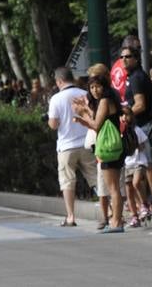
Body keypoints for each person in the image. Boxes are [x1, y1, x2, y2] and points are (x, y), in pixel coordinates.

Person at [73, 69, 127, 233]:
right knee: (114, 187)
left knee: (113, 188)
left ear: (104, 87)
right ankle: (116, 221)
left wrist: (84, 114)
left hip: (108, 148)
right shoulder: (108, 100)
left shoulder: (104, 101)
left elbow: (97, 125)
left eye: (98, 87)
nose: (95, 90)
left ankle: (116, 222)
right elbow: (100, 120)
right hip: (114, 146)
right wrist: (86, 113)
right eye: (91, 88)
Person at [119, 45, 152, 216]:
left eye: (128, 56)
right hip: (141, 125)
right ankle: (147, 202)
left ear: (136, 59)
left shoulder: (137, 77)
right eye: (122, 57)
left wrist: (124, 114)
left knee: (147, 165)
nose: (124, 60)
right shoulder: (133, 76)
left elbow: (140, 104)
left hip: (144, 125)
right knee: (144, 166)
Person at [47, 66, 94, 227]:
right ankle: (109, 210)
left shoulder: (56, 99)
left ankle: (71, 216)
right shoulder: (84, 94)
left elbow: (53, 124)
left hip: (66, 146)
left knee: (67, 181)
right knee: (95, 178)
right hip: (86, 143)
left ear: (59, 81)